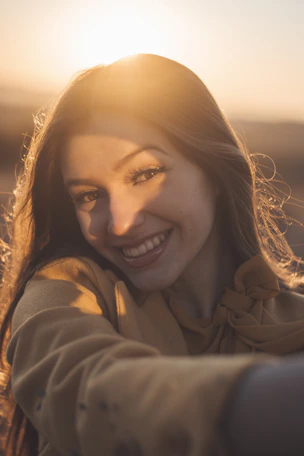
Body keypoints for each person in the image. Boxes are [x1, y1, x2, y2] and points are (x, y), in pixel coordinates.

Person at [0, 53, 304, 456]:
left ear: (213, 168)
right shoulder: (66, 292)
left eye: (145, 174)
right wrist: (252, 403)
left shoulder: (293, 323)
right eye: (89, 195)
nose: (121, 225)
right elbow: (76, 384)